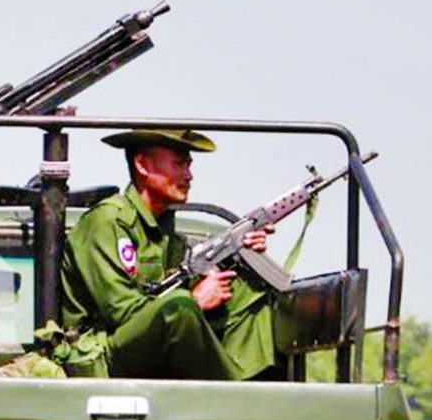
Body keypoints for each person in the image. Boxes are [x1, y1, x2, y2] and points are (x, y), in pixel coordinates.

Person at [60, 129, 278, 380]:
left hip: (149, 344)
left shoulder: (164, 228)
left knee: (246, 290)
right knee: (179, 306)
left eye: (189, 165)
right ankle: (231, 395)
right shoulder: (108, 221)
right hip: (104, 355)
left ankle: (256, 385)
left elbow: (173, 286)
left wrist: (239, 254)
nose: (189, 175)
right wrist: (195, 300)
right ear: (142, 165)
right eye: (179, 164)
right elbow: (123, 313)